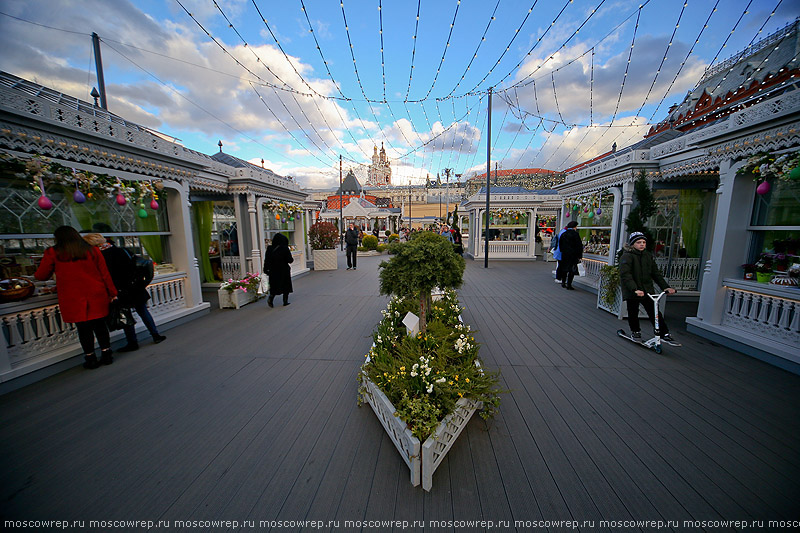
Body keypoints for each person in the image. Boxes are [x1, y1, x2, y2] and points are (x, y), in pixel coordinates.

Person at [35, 226, 117, 369]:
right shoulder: (93, 251)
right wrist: (112, 293)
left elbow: (41, 276)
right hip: (96, 294)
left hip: (72, 297)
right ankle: (107, 354)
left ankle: (90, 358)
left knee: (83, 329)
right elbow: (105, 274)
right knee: (100, 326)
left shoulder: (53, 253)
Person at [83, 234, 166, 352]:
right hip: (135, 285)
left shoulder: (99, 257)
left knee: (126, 315)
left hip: (120, 289)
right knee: (143, 311)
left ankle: (132, 342)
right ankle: (155, 334)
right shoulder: (121, 250)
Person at [619, 232, 677, 343]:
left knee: (654, 311)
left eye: (644, 242)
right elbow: (625, 275)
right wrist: (634, 289)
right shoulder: (627, 256)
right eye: (638, 242)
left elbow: (656, 273)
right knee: (633, 311)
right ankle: (635, 331)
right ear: (632, 244)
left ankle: (664, 332)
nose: (642, 244)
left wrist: (666, 287)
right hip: (633, 290)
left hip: (647, 289)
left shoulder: (647, 256)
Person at [263, 232, 294, 307]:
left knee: (274, 286)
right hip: (284, 270)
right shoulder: (284, 248)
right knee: (286, 286)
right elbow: (290, 260)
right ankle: (285, 301)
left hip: (273, 271)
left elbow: (267, 260)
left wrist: (266, 269)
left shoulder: (270, 249)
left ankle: (271, 298)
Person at [557, 221, 583, 290]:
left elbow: (560, 244)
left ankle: (563, 282)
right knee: (572, 270)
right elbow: (579, 245)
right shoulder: (576, 234)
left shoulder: (564, 234)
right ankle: (569, 284)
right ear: (574, 227)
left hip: (565, 254)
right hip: (573, 254)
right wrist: (579, 255)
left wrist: (563, 251)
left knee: (564, 268)